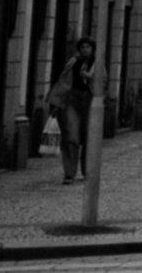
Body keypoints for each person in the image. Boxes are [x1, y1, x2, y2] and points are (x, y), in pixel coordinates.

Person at [46, 38, 97, 184]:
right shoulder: (73, 62)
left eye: (88, 47)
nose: (85, 49)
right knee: (71, 136)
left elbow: (103, 84)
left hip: (91, 101)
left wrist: (90, 77)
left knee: (89, 137)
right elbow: (63, 82)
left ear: (93, 49)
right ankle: (69, 173)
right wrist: (57, 102)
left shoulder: (98, 64)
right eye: (83, 47)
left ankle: (88, 170)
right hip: (72, 101)